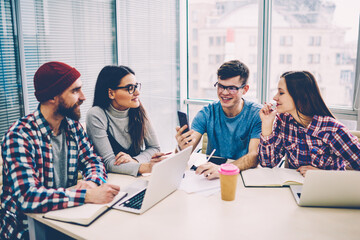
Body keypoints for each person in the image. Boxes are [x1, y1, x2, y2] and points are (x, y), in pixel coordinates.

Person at [0, 61, 120, 239]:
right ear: (52, 97)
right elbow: (28, 197)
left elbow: (93, 161)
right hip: (28, 230)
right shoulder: (19, 136)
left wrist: (92, 182)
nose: (83, 97)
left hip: (64, 218)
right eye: (75, 90)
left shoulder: (73, 127)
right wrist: (86, 195)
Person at [259, 71, 360, 176]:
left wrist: (321, 175)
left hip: (330, 190)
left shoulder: (333, 129)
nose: (275, 97)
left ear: (299, 96)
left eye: (281, 93)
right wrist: (267, 124)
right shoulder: (284, 121)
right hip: (295, 188)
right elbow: (267, 164)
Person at [175, 60, 262, 179]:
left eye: (231, 88)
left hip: (243, 175)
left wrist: (224, 169)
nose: (224, 93)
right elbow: (184, 153)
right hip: (212, 176)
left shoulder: (256, 114)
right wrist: (182, 147)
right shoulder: (206, 113)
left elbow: (254, 156)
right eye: (221, 86)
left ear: (245, 89)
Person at [86, 65, 167, 177]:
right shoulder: (96, 115)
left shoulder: (138, 109)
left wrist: (134, 160)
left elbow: (155, 148)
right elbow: (108, 162)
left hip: (136, 177)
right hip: (114, 181)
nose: (137, 93)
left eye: (136, 86)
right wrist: (147, 167)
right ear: (111, 93)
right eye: (130, 88)